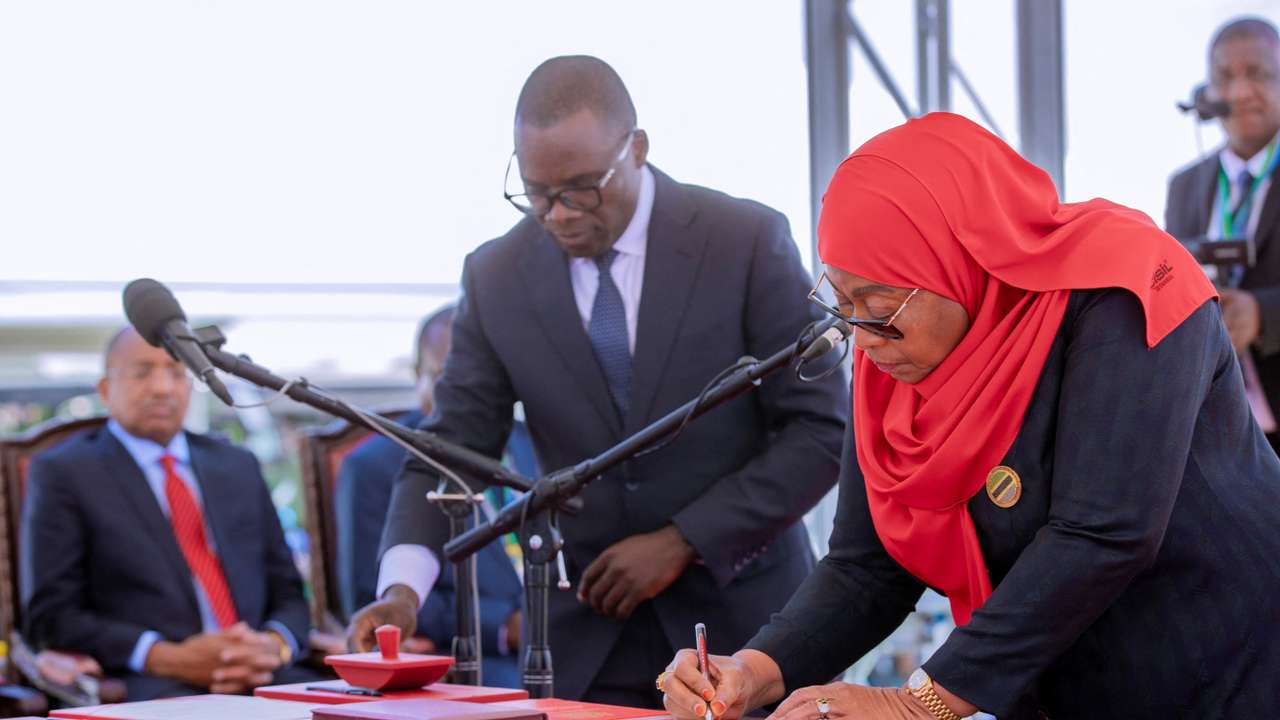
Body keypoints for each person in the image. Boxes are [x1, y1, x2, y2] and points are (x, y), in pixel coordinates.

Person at [657, 113, 1280, 719]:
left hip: (1230, 665)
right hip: (1065, 688)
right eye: (843, 303)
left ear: (963, 262)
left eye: (877, 303)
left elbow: (1102, 533)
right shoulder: (894, 354)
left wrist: (916, 705)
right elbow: (866, 567)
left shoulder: (1128, 288)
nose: (862, 337)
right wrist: (751, 670)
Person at [347, 55, 848, 706]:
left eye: (582, 189)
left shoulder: (744, 240)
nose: (557, 214)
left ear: (636, 149)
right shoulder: (497, 276)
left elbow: (821, 429)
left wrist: (683, 540)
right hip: (587, 645)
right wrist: (402, 590)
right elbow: (449, 450)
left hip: (746, 635)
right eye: (536, 193)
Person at [21, 327, 315, 701]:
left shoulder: (237, 465)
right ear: (106, 390)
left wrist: (274, 646)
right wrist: (165, 657)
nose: (162, 387)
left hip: (265, 673)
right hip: (149, 683)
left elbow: (289, 592)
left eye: (177, 373)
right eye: (142, 372)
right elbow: (52, 616)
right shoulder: (66, 473)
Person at [335, 304, 525, 687]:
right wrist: (502, 625)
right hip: (472, 661)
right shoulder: (373, 466)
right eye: (445, 376)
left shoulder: (529, 441)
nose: (462, 392)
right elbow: (368, 596)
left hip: (564, 639)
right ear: (416, 375)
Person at [1167, 17, 1280, 451]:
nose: (1238, 92)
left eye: (1257, 73)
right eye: (1224, 77)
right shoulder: (1184, 186)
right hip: (1214, 428)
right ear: (1205, 93)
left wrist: (1263, 314)